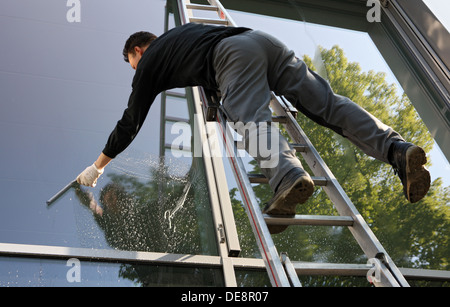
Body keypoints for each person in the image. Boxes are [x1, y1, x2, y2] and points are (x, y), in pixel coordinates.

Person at [76, 23, 431, 233]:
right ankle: (398, 151)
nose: (135, 71)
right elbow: (210, 81)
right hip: (265, 44)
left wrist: (98, 166)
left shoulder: (151, 60)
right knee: (325, 104)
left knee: (248, 117)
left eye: (132, 63)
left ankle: (287, 176)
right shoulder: (186, 34)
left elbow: (130, 122)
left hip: (231, 56)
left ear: (138, 50)